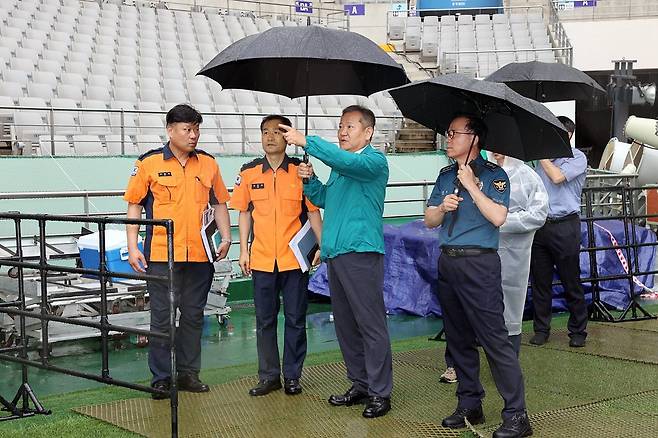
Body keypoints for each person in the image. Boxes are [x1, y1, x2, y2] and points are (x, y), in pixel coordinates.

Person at [280, 105, 393, 419]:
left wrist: (307, 142)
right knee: (346, 325)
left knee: (370, 326)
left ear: (368, 132)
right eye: (341, 126)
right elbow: (325, 199)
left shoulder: (372, 161)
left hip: (361, 253)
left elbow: (341, 159)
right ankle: (361, 383)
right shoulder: (344, 169)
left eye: (350, 127)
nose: (342, 132)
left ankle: (381, 392)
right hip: (337, 253)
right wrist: (310, 179)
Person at [425, 114, 532, 438]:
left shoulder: (494, 175)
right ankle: (470, 402)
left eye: (454, 133)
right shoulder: (445, 175)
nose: (448, 137)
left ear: (474, 139)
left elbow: (499, 216)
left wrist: (472, 186)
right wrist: (442, 207)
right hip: (449, 262)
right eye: (448, 131)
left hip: (479, 264)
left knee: (494, 340)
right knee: (458, 340)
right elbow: (429, 220)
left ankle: (517, 415)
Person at [124, 104, 232, 399]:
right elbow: (134, 204)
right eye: (187, 129)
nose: (193, 135)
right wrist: (133, 246)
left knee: (194, 315)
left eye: (197, 129)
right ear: (170, 130)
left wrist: (226, 237)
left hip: (200, 255)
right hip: (161, 254)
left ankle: (188, 373)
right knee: (161, 316)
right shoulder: (148, 163)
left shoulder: (209, 164)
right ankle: (160, 378)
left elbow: (220, 202)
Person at [230, 115, 322, 397]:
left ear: (287, 137)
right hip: (261, 259)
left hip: (294, 260)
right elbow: (244, 213)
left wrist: (322, 246)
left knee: (295, 319)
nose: (270, 137)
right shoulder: (248, 172)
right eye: (265, 132)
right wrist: (243, 250)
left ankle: (293, 376)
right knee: (264, 320)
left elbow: (313, 211)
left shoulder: (301, 170)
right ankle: (269, 376)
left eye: (277, 132)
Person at [530, 116, 588, 348]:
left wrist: (541, 154)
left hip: (565, 224)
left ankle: (578, 331)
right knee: (540, 281)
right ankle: (541, 329)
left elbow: (556, 177)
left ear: (568, 135)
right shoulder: (538, 163)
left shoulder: (577, 157)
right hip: (540, 225)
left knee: (570, 280)